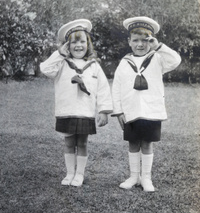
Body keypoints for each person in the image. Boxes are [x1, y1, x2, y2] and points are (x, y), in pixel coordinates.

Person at [112, 16, 181, 192]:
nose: (140, 44)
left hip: (151, 109)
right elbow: (117, 87)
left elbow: (176, 60)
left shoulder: (158, 58)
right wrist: (119, 111)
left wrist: (158, 46)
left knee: (148, 143)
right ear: (129, 42)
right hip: (130, 109)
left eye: (145, 40)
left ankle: (146, 178)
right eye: (136, 40)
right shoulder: (124, 62)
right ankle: (134, 176)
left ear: (151, 41)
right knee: (133, 142)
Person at [40, 19, 112, 187]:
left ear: (88, 44)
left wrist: (103, 110)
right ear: (67, 45)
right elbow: (45, 69)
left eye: (82, 41)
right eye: (74, 42)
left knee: (82, 143)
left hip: (85, 111)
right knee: (69, 142)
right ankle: (69, 173)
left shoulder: (93, 66)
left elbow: (103, 88)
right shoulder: (61, 64)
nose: (78, 46)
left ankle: (79, 174)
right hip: (67, 110)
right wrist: (59, 53)